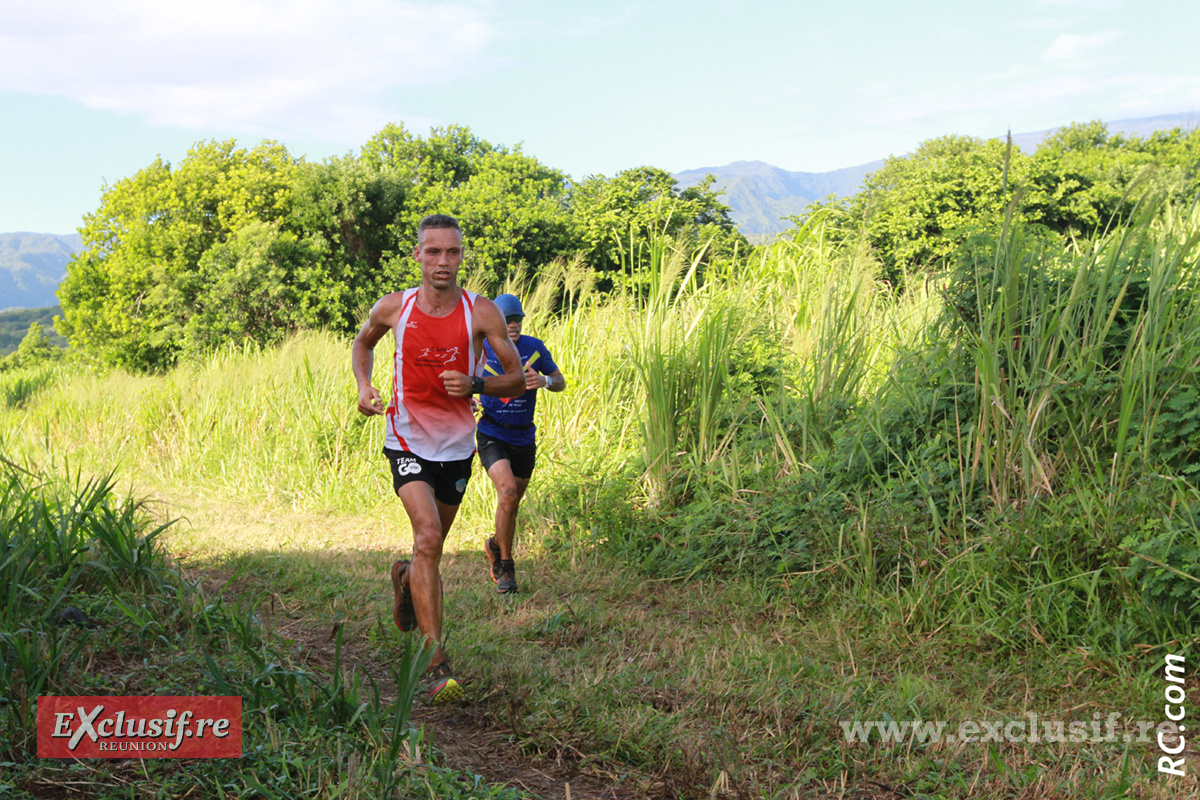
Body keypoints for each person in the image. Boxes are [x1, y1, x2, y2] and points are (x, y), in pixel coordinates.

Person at [352, 214, 523, 705]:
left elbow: (515, 378)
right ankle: (435, 658)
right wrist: (365, 386)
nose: (442, 261)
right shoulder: (394, 307)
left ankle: (407, 577)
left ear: (461, 257)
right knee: (427, 536)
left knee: (431, 549)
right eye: (433, 252)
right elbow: (363, 344)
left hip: (455, 447)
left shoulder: (481, 313)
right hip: (405, 438)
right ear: (418, 256)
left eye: (452, 252)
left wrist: (476, 385)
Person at [476, 294, 566, 594]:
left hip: (524, 435)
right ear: (496, 321)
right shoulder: (482, 347)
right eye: (507, 319)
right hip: (492, 431)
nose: (513, 324)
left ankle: (494, 544)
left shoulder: (534, 348)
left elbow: (560, 380)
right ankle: (505, 567)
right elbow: (463, 380)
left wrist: (546, 382)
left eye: (518, 319)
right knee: (508, 493)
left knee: (511, 505)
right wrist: (470, 400)